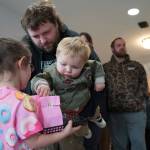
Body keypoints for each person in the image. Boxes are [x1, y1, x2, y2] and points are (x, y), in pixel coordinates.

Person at [21, 1, 104, 150]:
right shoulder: (25, 49)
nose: (42, 40)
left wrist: (87, 112)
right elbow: (22, 87)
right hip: (43, 124)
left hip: (79, 117)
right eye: (35, 36)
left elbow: (99, 75)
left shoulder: (76, 41)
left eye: (46, 32)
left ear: (57, 24)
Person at [0, 37, 81, 150]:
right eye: (30, 65)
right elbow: (34, 142)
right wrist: (64, 133)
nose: (31, 70)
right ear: (22, 63)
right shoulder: (23, 101)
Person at [103, 37, 148, 150]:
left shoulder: (137, 66)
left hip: (136, 112)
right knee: (119, 146)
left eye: (123, 44)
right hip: (115, 114)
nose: (122, 47)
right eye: (118, 45)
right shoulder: (105, 68)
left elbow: (144, 86)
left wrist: (140, 103)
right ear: (112, 49)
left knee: (139, 144)